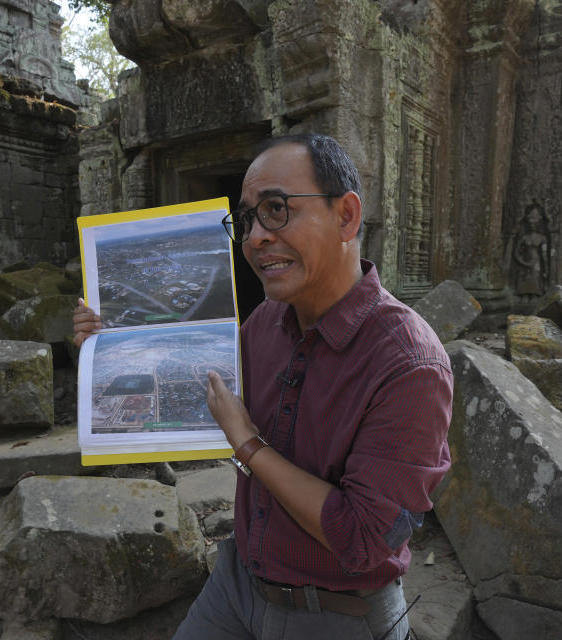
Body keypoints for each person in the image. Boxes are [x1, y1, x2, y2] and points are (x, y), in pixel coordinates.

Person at [73, 133, 452, 640]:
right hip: (238, 587)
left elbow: (364, 538)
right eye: (248, 219)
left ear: (346, 216)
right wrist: (107, 349)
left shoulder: (409, 365)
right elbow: (187, 394)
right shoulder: (265, 324)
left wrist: (249, 446)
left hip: (340, 616)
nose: (254, 238)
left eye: (276, 209)